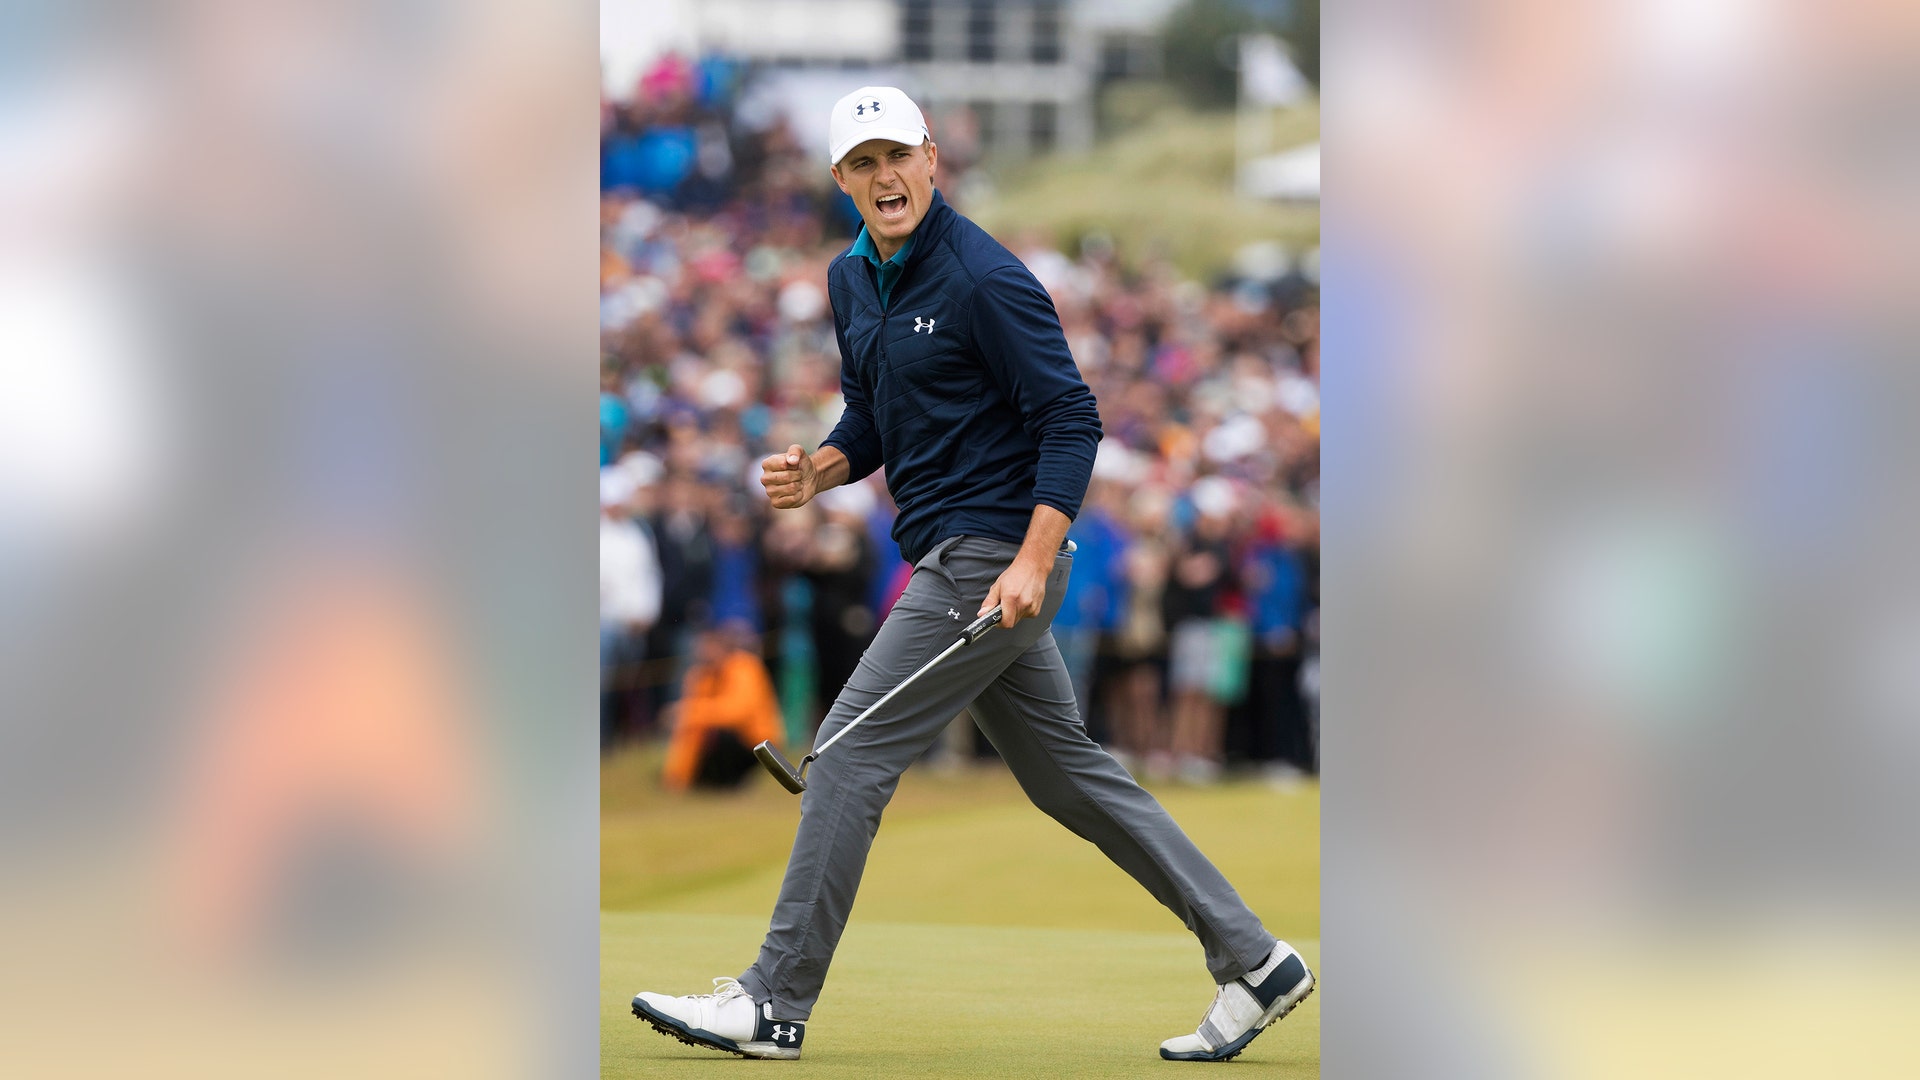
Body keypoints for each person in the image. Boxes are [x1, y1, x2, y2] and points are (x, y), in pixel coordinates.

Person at [631, 86, 1314, 1063]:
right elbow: (869, 418)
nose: (884, 177)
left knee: (847, 755)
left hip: (993, 554)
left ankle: (773, 1001)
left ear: (932, 159)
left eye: (897, 156)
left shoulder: (985, 277)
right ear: (841, 181)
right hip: (956, 556)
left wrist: (1035, 559)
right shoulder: (850, 281)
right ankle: (1255, 960)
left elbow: (1071, 420)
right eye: (862, 164)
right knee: (1069, 779)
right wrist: (818, 470)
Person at [660, 623, 784, 791]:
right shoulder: (703, 675)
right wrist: (676, 774)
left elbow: (736, 713)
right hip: (727, 740)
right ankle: (690, 779)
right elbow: (690, 730)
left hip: (757, 744)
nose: (703, 653)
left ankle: (729, 781)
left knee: (721, 735)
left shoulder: (744, 668)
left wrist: (689, 711)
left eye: (709, 647)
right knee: (702, 733)